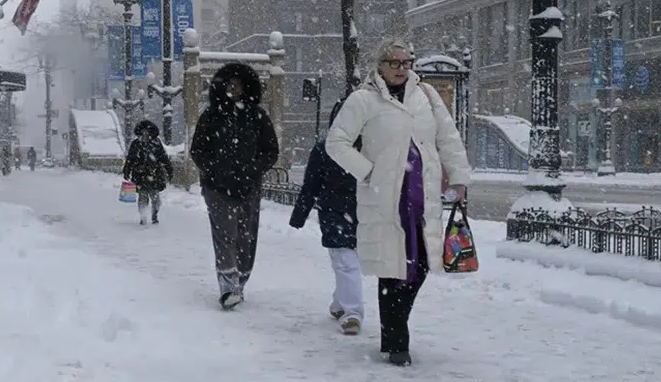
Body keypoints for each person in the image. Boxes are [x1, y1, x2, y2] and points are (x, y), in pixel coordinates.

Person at [325, 37, 471, 366]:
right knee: (392, 269)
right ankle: (395, 340)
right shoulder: (363, 100)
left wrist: (458, 176)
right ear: (380, 66)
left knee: (418, 267)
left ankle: (395, 330)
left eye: (406, 63)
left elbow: (448, 137)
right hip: (386, 198)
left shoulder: (427, 96)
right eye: (394, 63)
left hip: (422, 196)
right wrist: (367, 171)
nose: (401, 69)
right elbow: (336, 141)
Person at [190, 63, 279, 311]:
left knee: (245, 237)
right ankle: (228, 286)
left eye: (238, 84)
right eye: (229, 84)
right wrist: (215, 169)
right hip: (217, 188)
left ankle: (241, 280)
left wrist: (253, 169)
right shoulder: (211, 116)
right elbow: (197, 150)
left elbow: (271, 151)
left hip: (248, 187)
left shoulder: (257, 117)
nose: (233, 89)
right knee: (225, 235)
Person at [289, 99, 362, 335]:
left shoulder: (371, 147)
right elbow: (311, 184)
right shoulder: (324, 149)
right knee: (344, 260)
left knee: (344, 261)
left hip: (361, 211)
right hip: (334, 212)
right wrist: (299, 215)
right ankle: (352, 312)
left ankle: (341, 304)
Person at [122, 120, 173, 225]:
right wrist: (127, 170)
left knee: (155, 198)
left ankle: (154, 215)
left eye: (147, 132)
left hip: (155, 175)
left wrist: (169, 170)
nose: (145, 134)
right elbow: (130, 159)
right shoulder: (136, 144)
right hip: (141, 176)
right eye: (143, 132)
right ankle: (143, 216)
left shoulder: (157, 143)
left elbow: (164, 158)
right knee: (143, 197)